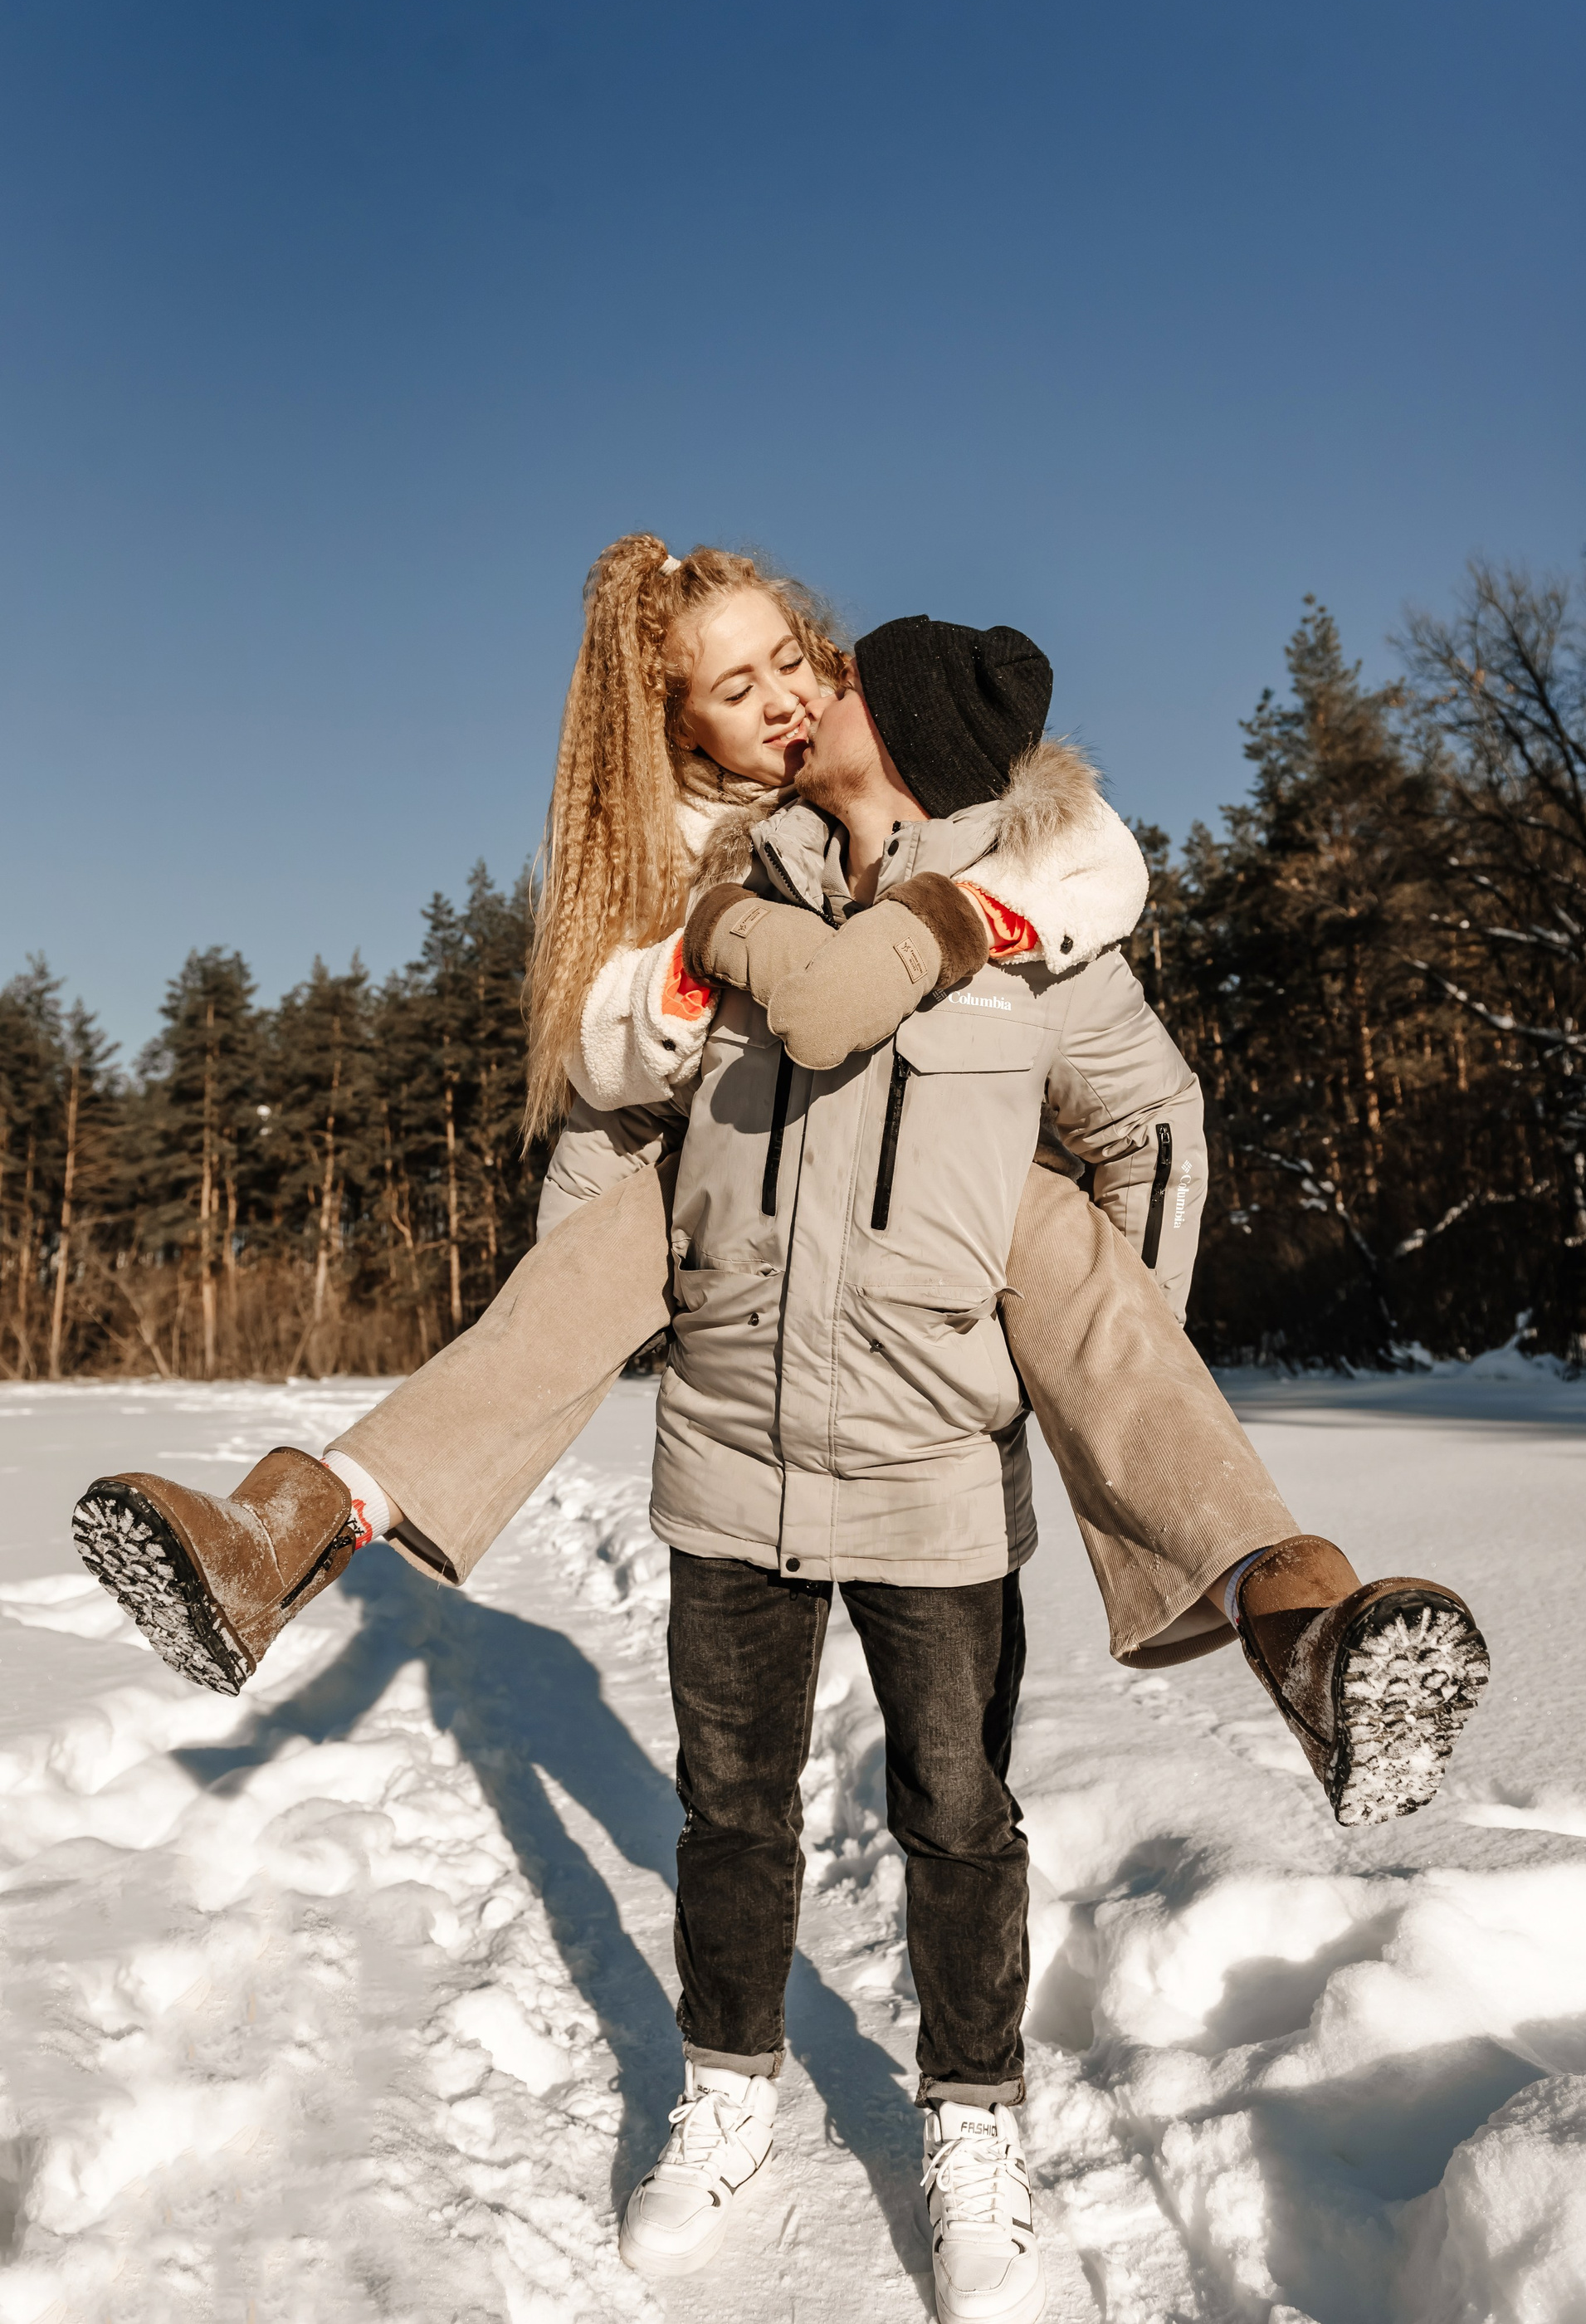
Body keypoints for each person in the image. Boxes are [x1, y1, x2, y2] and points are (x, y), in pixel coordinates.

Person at [71, 540, 1488, 2318]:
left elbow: (1157, 1130)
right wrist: (575, 1305)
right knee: (730, 1813)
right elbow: (604, 1146)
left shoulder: (1037, 926)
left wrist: (1083, 1348)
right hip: (734, 1450)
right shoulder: (724, 910)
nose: (803, 698)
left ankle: (983, 2107)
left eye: (827, 675)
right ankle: (725, 2085)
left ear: (900, 726)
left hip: (934, 1463)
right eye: (762, 686)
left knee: (958, 1816)